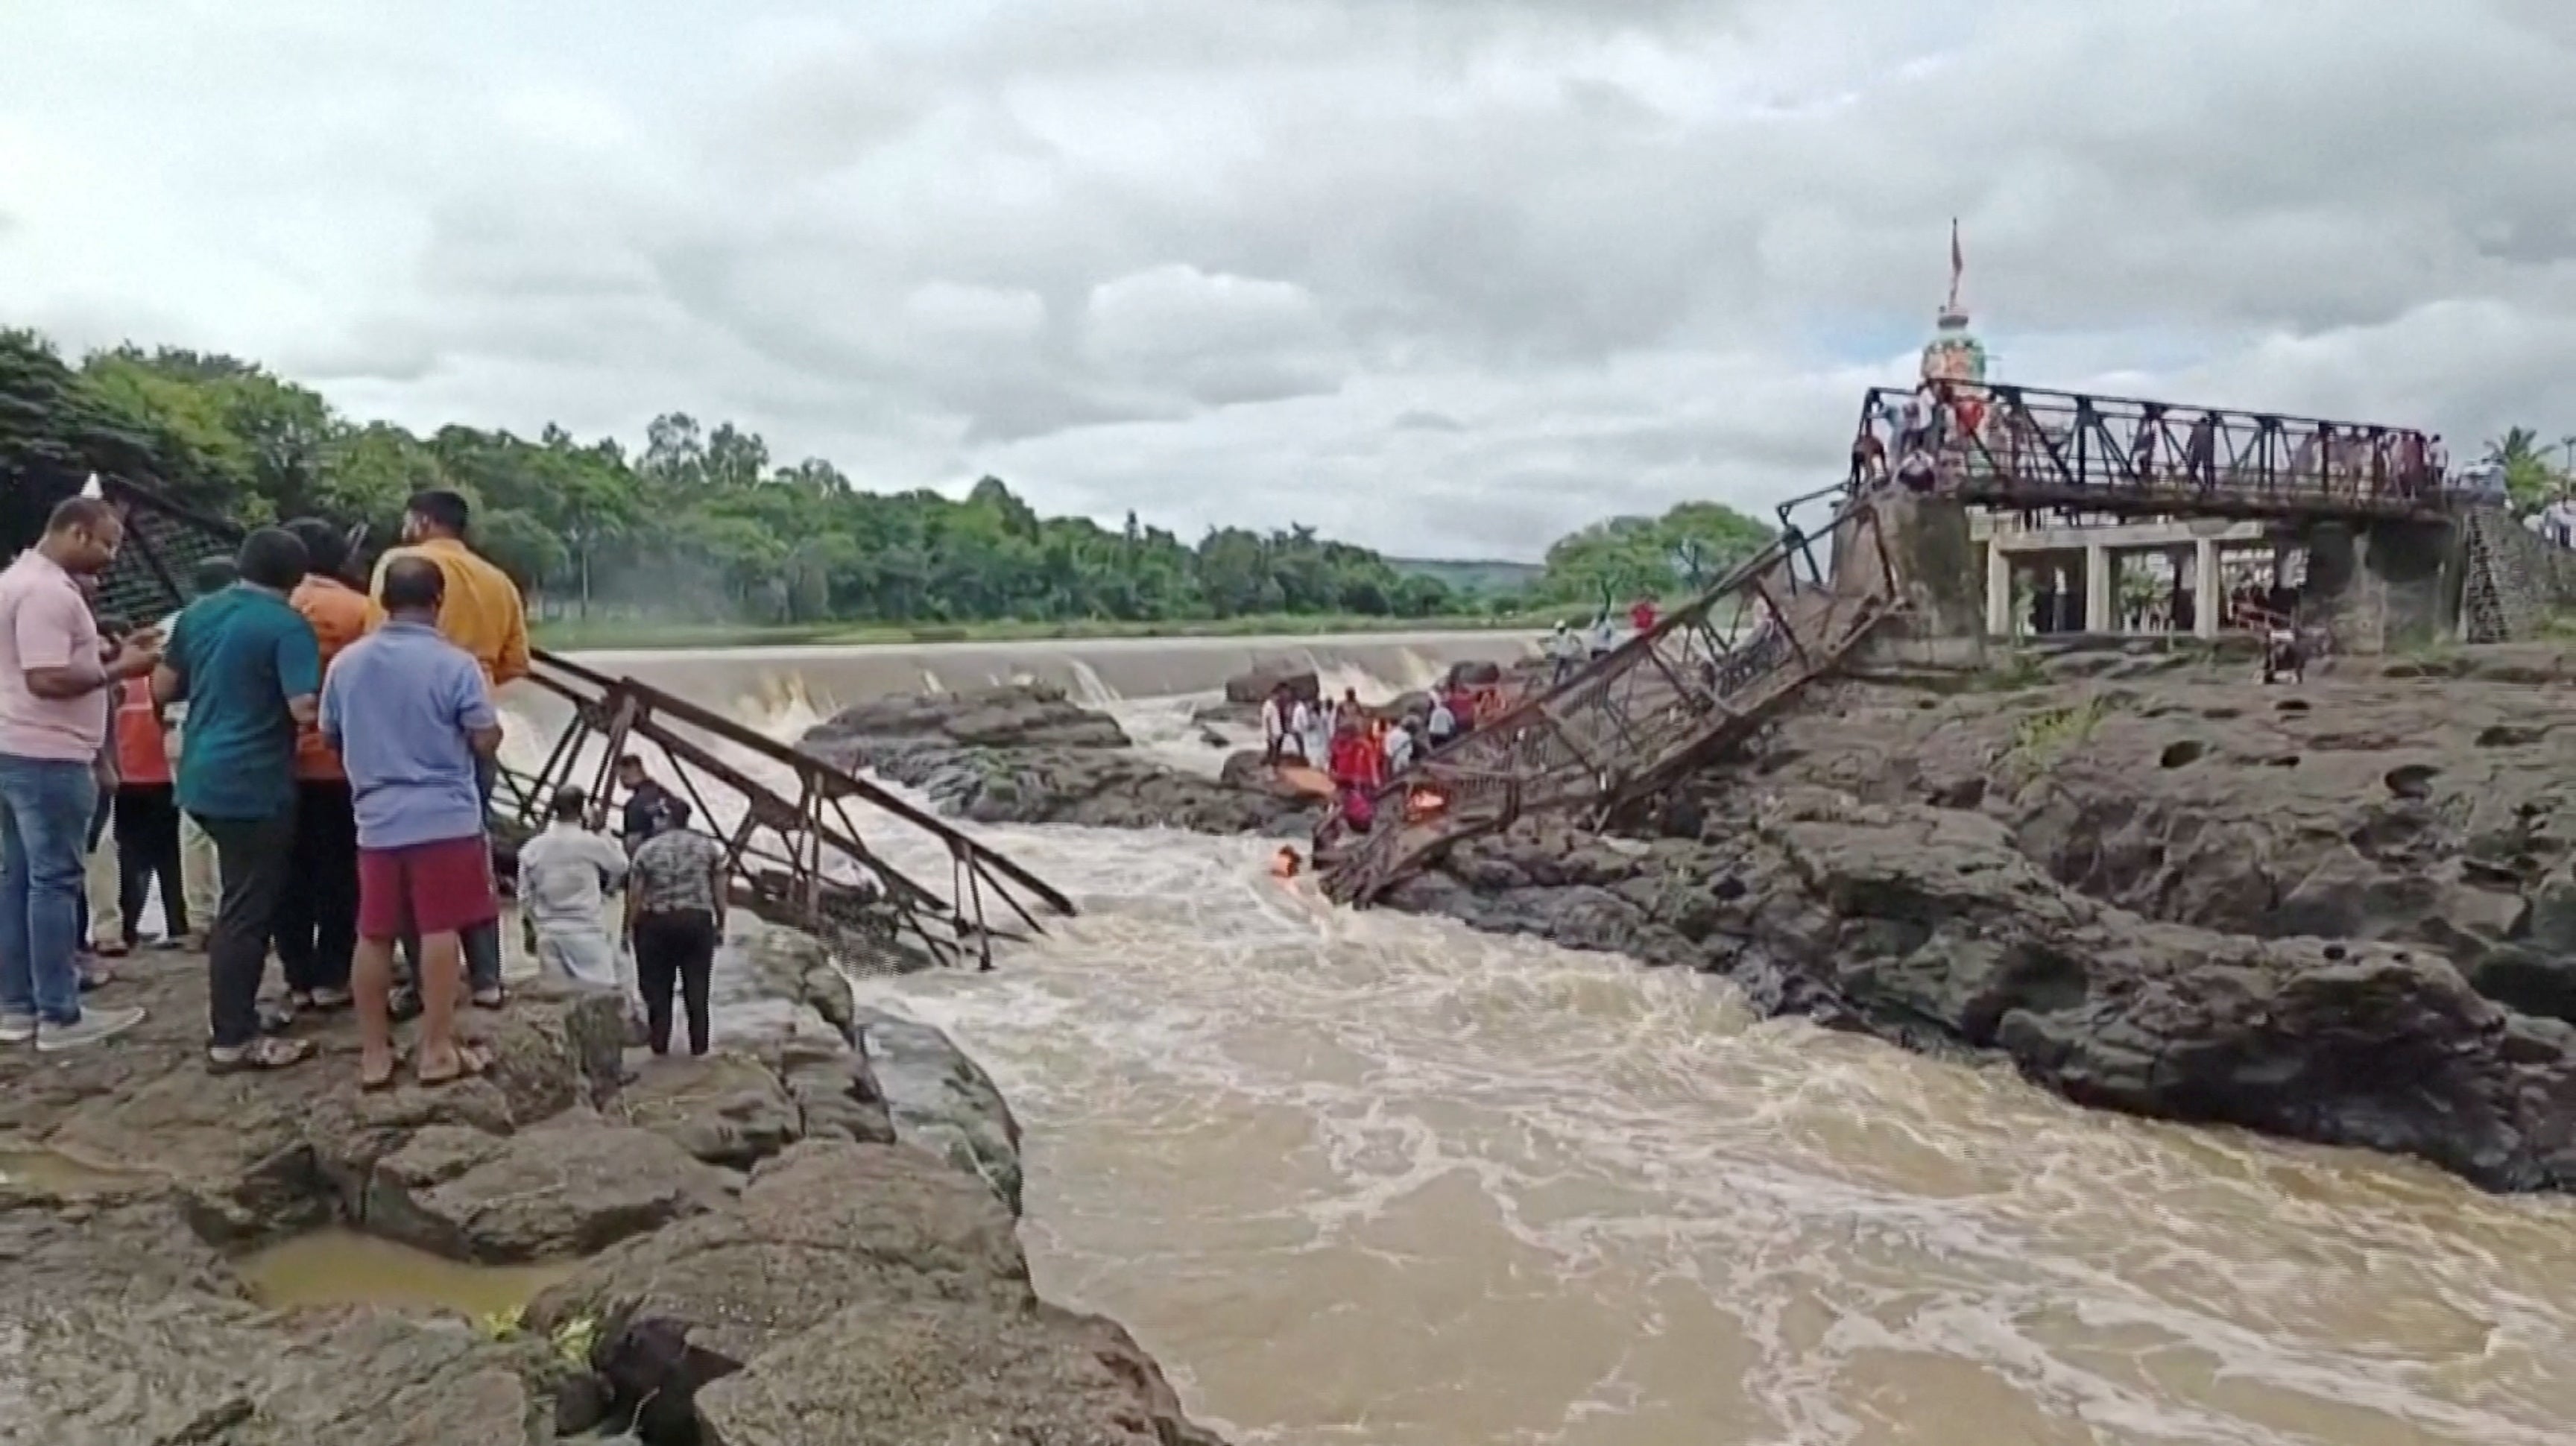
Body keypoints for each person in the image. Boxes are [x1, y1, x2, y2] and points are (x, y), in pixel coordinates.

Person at [323, 557, 503, 1090]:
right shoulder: (455, 665)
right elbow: (483, 737)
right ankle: (435, 1049)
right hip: (445, 816)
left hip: (376, 818)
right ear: (437, 601)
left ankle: (375, 1056)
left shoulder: (347, 665)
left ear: (384, 599)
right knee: (439, 928)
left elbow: (331, 735)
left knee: (374, 932)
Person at [155, 528, 323, 1073]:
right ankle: (233, 1038)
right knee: (247, 910)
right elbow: (304, 709)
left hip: (199, 774)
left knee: (239, 901)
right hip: (252, 782)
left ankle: (240, 1013)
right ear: (298, 578)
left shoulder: (198, 614)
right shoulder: (287, 626)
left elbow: (161, 688)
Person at [0, 497, 157, 1050]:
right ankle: (60, 1015)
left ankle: (17, 1008)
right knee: (54, 881)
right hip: (47, 753)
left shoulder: (15, 580)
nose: (112, 556)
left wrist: (107, 652)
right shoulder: (48, 592)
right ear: (75, 531)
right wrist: (122, 668)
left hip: (12, 746)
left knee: (18, 879)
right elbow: (46, 678)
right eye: (107, 543)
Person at [368, 490, 528, 1008]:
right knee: (472, 847)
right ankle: (486, 978)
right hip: (474, 720)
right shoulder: (497, 580)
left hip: (406, 723)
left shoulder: (399, 564)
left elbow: (378, 637)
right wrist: (474, 674)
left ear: (422, 521)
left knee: (412, 856)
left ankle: (423, 983)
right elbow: (515, 662)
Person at [273, 518, 368, 1013]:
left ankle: (296, 975)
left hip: (277, 763)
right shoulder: (359, 611)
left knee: (289, 874)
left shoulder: (273, 607)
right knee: (340, 872)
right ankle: (334, 974)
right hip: (339, 763)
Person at [168, 554, 236, 949]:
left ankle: (200, 920)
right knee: (240, 827)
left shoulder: (178, 621)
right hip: (229, 728)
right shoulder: (241, 617)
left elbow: (163, 683)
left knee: (192, 828)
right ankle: (235, 915)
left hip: (182, 726)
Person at [625, 798, 725, 1058]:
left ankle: (660, 1044)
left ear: (666, 820)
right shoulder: (708, 847)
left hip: (657, 923)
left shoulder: (647, 850)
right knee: (697, 985)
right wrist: (721, 923)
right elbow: (719, 889)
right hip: (696, 921)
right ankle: (699, 1046)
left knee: (658, 986)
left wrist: (628, 927)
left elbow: (636, 894)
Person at [517, 784, 629, 988]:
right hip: (585, 930)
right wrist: (603, 831)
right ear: (582, 810)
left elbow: (524, 896)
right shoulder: (589, 843)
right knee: (600, 995)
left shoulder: (533, 848)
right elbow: (621, 865)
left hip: (548, 933)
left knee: (560, 1000)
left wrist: (530, 927)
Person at [110, 672, 184, 947]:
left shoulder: (119, 682)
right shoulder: (162, 682)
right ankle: (178, 925)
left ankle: (128, 929)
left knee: (131, 860)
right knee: (170, 860)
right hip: (161, 778)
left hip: (127, 779)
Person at [613, 754, 678, 855]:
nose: (620, 780)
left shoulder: (635, 804)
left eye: (622, 776)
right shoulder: (664, 793)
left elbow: (632, 846)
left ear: (633, 770)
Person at [1259, 686, 1284, 766]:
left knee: (1273, 748)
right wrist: (1270, 733)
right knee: (1272, 748)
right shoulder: (1268, 705)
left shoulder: (1273, 704)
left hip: (1276, 730)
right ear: (1272, 695)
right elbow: (1267, 719)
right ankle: (1270, 762)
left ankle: (1271, 761)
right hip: (1272, 731)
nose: (1278, 698)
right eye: (1277, 696)